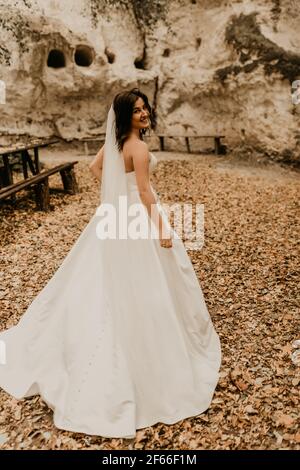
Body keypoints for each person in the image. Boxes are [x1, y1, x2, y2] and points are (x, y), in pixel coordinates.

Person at [0, 88, 221, 439]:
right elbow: (146, 192)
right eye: (136, 111)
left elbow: (94, 167)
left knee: (99, 277)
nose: (144, 113)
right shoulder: (140, 148)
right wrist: (162, 229)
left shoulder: (116, 143)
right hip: (137, 217)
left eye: (144, 107)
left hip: (117, 216)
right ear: (125, 115)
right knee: (146, 279)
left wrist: (116, 197)